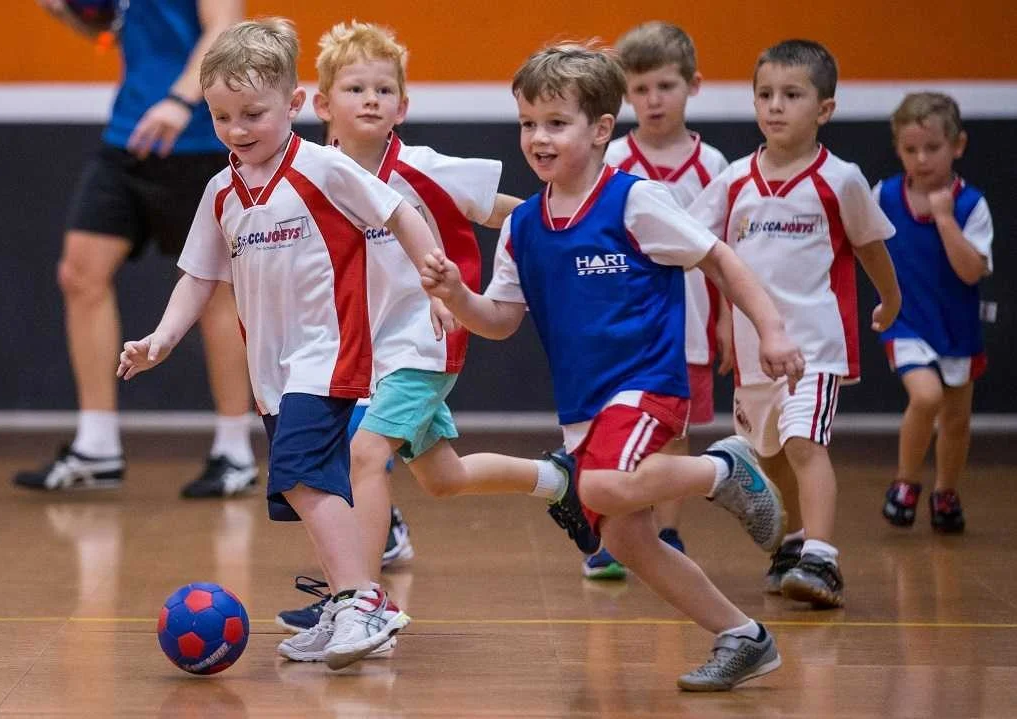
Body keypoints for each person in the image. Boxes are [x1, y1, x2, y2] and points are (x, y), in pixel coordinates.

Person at [422, 41, 803, 692]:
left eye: (555, 122)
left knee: (595, 488)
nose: (537, 138)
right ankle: (742, 634)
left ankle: (723, 468)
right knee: (625, 539)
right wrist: (457, 298)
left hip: (647, 383)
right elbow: (502, 319)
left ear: (600, 129)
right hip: (583, 404)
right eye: (527, 123)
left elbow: (718, 257)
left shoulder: (633, 201)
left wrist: (768, 328)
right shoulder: (522, 229)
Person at [117, 18, 438, 670]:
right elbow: (198, 277)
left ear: (293, 103)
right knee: (313, 485)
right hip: (272, 371)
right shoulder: (220, 193)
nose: (237, 129)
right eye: (222, 116)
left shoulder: (324, 168)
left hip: (329, 355)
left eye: (253, 113)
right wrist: (162, 338)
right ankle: (343, 603)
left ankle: (361, 599)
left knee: (298, 475)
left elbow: (396, 209)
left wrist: (436, 278)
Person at [274, 20, 595, 646]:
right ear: (320, 104)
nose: (371, 99)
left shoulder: (424, 169)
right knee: (442, 477)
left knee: (362, 456)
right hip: (361, 353)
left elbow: (508, 211)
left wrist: (566, 231)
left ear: (403, 105)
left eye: (384, 89)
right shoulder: (310, 177)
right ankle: (559, 481)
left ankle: (358, 602)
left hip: (423, 344)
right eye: (355, 87)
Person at [15, 0, 258, 499]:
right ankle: (97, 446)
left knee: (216, 290)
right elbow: (117, 30)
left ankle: (234, 451)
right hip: (130, 133)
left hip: (199, 137)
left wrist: (180, 100)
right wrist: (68, 14)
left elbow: (224, 27)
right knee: (80, 273)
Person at [688, 39, 901, 608]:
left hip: (815, 347)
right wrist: (726, 325)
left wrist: (891, 300)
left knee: (805, 443)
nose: (774, 106)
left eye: (791, 94)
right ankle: (799, 540)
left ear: (824, 109)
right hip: (756, 352)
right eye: (765, 94)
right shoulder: (734, 181)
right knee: (771, 451)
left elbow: (873, 246)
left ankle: (823, 559)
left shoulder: (841, 179)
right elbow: (696, 244)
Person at [584, 21, 732, 579]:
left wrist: (728, 323)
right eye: (640, 89)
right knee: (612, 429)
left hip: (688, 325)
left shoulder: (713, 166)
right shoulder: (612, 157)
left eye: (664, 86)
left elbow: (723, 253)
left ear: (693, 85)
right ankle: (614, 534)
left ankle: (666, 532)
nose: (652, 100)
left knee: (674, 435)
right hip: (620, 327)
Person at [877, 92, 993, 534]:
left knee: (957, 420)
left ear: (957, 146)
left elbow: (969, 272)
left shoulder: (971, 205)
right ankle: (905, 482)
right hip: (906, 322)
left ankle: (946, 491)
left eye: (932, 148)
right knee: (926, 397)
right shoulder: (884, 196)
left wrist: (945, 220)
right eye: (910, 150)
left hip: (958, 326)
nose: (921, 159)